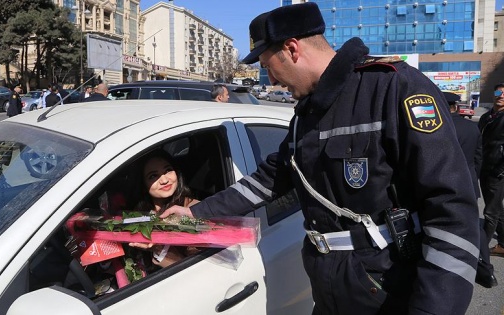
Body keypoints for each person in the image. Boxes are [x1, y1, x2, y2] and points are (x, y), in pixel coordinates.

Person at [161, 3, 480, 315]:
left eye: (267, 65)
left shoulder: (392, 87)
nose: (270, 80)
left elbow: (452, 211)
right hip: (329, 285)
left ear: (292, 49)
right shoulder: (306, 117)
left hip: (386, 287)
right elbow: (271, 179)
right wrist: (195, 214)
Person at [445, 92, 498, 288]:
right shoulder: (471, 127)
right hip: (468, 183)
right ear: (457, 107)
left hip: (444, 184)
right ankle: (486, 267)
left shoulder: (439, 128)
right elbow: (478, 158)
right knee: (474, 225)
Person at [129, 149, 199, 268]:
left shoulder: (192, 210)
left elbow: (197, 267)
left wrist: (159, 248)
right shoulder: (139, 214)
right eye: (153, 176)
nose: (165, 180)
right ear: (143, 184)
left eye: (168, 170)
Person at [478, 83, 504, 258]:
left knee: (490, 212)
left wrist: (502, 169)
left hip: (498, 170)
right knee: (497, 209)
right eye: (497, 92)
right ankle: (503, 244)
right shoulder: (487, 116)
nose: (500, 96)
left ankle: (481, 252)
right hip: (485, 167)